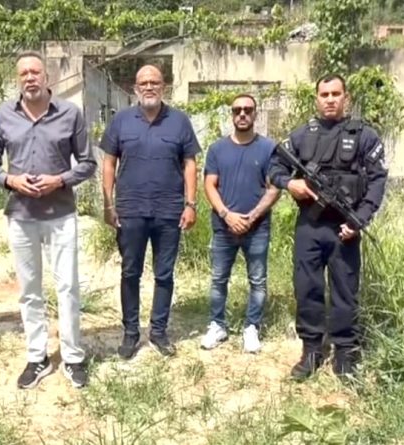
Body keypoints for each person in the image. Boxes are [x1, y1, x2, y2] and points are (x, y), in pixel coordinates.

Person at [0, 51, 96, 389]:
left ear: (47, 77)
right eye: (24, 74)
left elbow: (87, 163)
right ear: (18, 79)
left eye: (35, 72)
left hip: (60, 214)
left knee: (68, 287)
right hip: (21, 215)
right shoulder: (4, 115)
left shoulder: (70, 114)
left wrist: (59, 180)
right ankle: (38, 357)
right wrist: (10, 180)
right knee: (30, 290)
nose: (30, 78)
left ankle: (72, 357)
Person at [269, 73, 388, 380]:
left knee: (345, 289)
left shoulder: (364, 135)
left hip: (345, 227)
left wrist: (359, 219)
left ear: (346, 97)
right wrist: (290, 183)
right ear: (317, 99)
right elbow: (274, 166)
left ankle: (345, 351)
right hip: (310, 225)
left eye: (336, 94)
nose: (331, 100)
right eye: (325, 94)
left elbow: (377, 180)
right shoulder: (302, 134)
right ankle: (311, 349)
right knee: (307, 287)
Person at [101, 64, 200, 360]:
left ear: (163, 86)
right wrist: (108, 204)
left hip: (169, 211)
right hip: (130, 210)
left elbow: (190, 164)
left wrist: (191, 204)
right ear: (135, 88)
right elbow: (109, 163)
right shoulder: (121, 120)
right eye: (143, 83)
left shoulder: (179, 121)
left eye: (154, 82)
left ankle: (158, 331)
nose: (148, 87)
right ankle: (131, 333)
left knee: (164, 274)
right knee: (130, 272)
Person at [200, 94, 280, 353]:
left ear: (255, 113)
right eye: (237, 110)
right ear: (232, 114)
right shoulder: (217, 149)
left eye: (248, 109)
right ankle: (217, 325)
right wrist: (227, 215)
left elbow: (274, 188)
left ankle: (252, 327)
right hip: (223, 227)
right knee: (218, 279)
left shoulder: (268, 148)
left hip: (257, 228)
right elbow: (209, 185)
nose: (242, 114)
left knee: (257, 280)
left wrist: (251, 217)